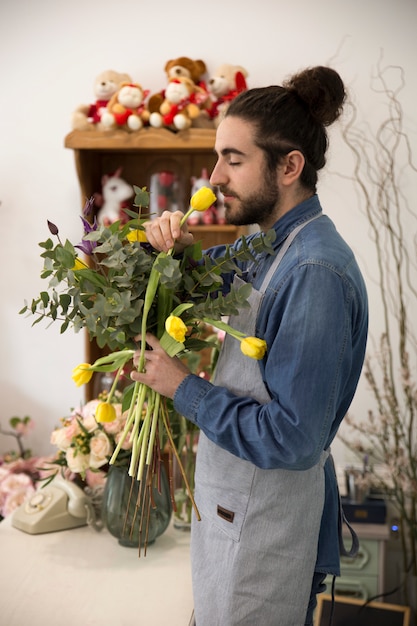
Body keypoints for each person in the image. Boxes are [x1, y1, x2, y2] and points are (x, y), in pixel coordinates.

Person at [132, 66, 369, 626]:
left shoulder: (314, 271)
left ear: (289, 166)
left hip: (265, 529)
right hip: (237, 510)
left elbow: (291, 439)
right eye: (218, 158)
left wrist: (183, 388)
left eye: (233, 160)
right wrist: (164, 252)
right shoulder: (264, 246)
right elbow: (187, 290)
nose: (213, 178)